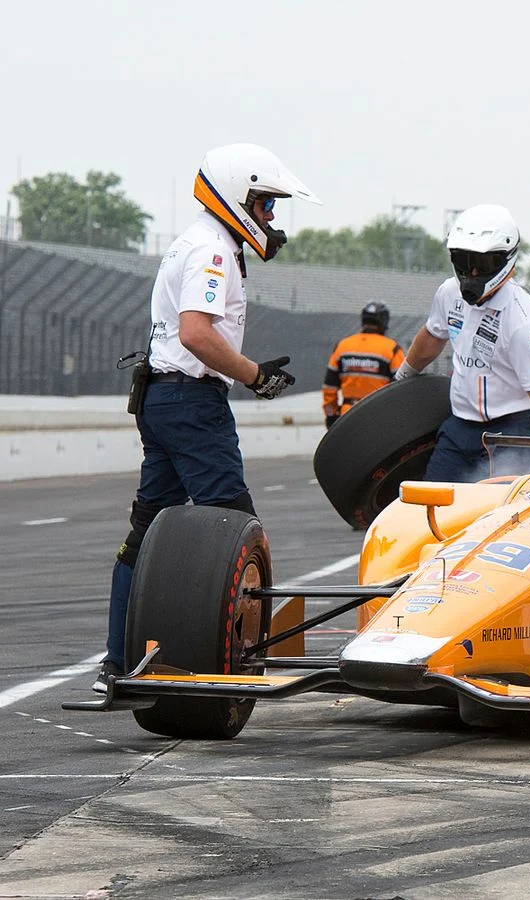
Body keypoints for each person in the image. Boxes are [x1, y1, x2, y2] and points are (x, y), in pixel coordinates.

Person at [95, 143, 318, 691]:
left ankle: (116, 663)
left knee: (144, 534)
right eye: (266, 204)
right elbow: (197, 333)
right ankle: (242, 659)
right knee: (234, 528)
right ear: (239, 197)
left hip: (162, 398)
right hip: (191, 404)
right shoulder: (214, 252)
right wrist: (253, 375)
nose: (270, 217)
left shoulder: (193, 242)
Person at [396, 204, 530, 481]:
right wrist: (401, 377)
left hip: (511, 431)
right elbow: (431, 336)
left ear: (506, 259)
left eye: (482, 264)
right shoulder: (448, 293)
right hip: (460, 425)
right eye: (463, 261)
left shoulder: (523, 320)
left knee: (492, 515)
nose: (472, 273)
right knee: (429, 502)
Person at [321, 302, 405, 427]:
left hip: (347, 416)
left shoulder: (343, 346)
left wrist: (331, 415)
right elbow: (402, 388)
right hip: (378, 417)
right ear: (384, 322)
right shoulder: (392, 349)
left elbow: (329, 387)